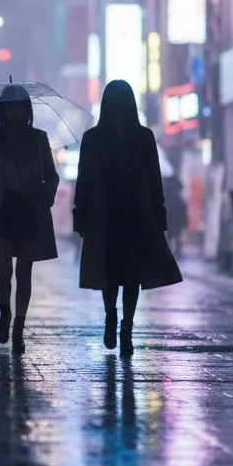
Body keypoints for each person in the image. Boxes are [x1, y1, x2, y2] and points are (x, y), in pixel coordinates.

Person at [73, 79, 182, 356]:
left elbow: (153, 180)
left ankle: (125, 326)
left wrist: (158, 215)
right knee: (114, 274)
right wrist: (81, 214)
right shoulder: (106, 138)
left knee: (127, 275)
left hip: (129, 215)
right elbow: (84, 179)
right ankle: (114, 319)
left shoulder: (135, 137)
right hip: (116, 214)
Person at [0, 85, 60, 354]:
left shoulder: (39, 139)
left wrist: (46, 195)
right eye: (10, 106)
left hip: (29, 208)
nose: (15, 111)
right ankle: (5, 311)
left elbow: (51, 175)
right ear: (3, 109)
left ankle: (19, 326)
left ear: (27, 109)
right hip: (0, 209)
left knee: (25, 270)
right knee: (3, 270)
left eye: (20, 105)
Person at [165, 175, 188, 258]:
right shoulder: (180, 201)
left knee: (171, 235)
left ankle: (171, 251)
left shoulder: (167, 185)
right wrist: (184, 222)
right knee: (177, 235)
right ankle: (177, 251)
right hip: (176, 213)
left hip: (171, 213)